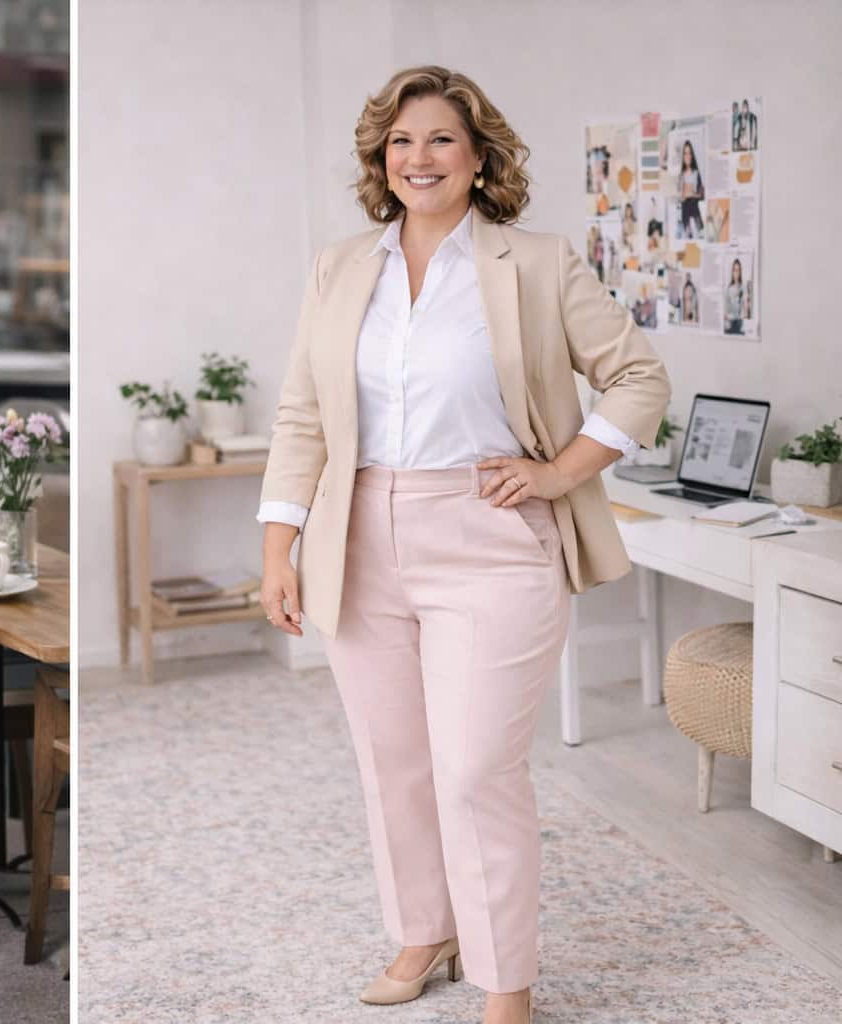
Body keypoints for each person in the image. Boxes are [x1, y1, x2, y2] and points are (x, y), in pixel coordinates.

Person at [257, 65, 670, 1024]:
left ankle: (505, 983)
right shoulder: (338, 268)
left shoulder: (538, 262)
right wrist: (281, 547)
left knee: (477, 768)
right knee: (392, 760)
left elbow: (638, 377)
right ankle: (423, 932)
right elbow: (303, 415)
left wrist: (560, 471)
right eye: (400, 141)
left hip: (491, 538)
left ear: (480, 157)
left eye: (441, 138)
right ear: (380, 159)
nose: (420, 157)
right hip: (358, 536)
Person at [677, 140, 704, 239]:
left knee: (701, 235)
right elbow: (679, 195)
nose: (687, 156)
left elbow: (701, 194)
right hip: (685, 211)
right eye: (685, 153)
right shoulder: (680, 174)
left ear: (692, 155)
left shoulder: (696, 172)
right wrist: (686, 193)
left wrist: (690, 193)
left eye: (689, 153)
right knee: (687, 238)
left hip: (696, 210)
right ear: (682, 155)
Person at [726, 258, 746, 333]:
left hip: (739, 322)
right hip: (730, 322)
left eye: (738, 270)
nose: (736, 273)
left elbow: (745, 308)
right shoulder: (729, 288)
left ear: (740, 272)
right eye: (734, 270)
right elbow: (727, 308)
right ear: (732, 271)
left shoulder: (743, 287)